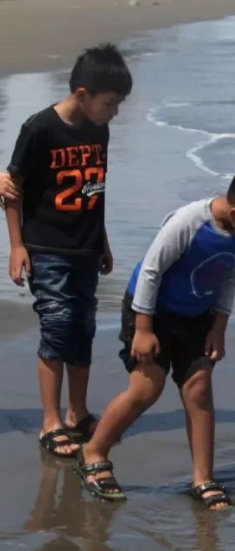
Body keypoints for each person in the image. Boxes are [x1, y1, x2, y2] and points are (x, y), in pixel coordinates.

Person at [75, 162, 235, 511]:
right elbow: (150, 270)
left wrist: (218, 327)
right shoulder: (189, 223)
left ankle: (203, 477)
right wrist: (143, 329)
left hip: (198, 317)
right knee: (146, 388)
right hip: (150, 312)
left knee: (199, 389)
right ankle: (94, 450)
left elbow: (230, 277)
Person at [1, 43, 132, 458]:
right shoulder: (39, 129)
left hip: (87, 248)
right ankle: (50, 421)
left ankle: (77, 413)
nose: (115, 112)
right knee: (57, 328)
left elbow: (97, 190)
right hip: (46, 247)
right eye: (110, 103)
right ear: (82, 93)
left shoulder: (100, 130)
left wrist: (104, 242)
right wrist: (17, 246)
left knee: (83, 329)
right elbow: (11, 189)